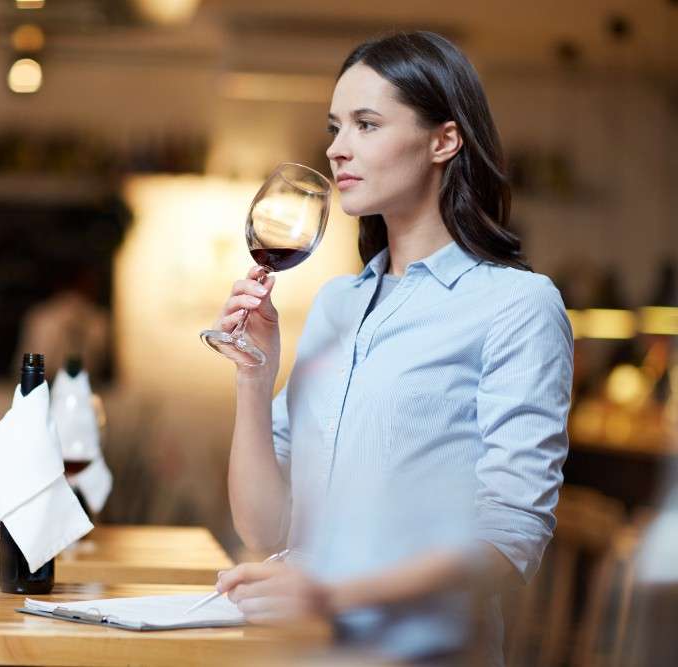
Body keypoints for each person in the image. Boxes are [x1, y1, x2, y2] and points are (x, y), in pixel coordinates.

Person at [212, 31, 572, 664]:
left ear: (444, 140)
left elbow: (509, 539)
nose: (336, 147)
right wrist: (254, 376)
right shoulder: (336, 304)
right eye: (335, 127)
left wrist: (331, 594)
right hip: (304, 654)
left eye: (367, 124)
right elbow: (264, 528)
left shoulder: (517, 305)